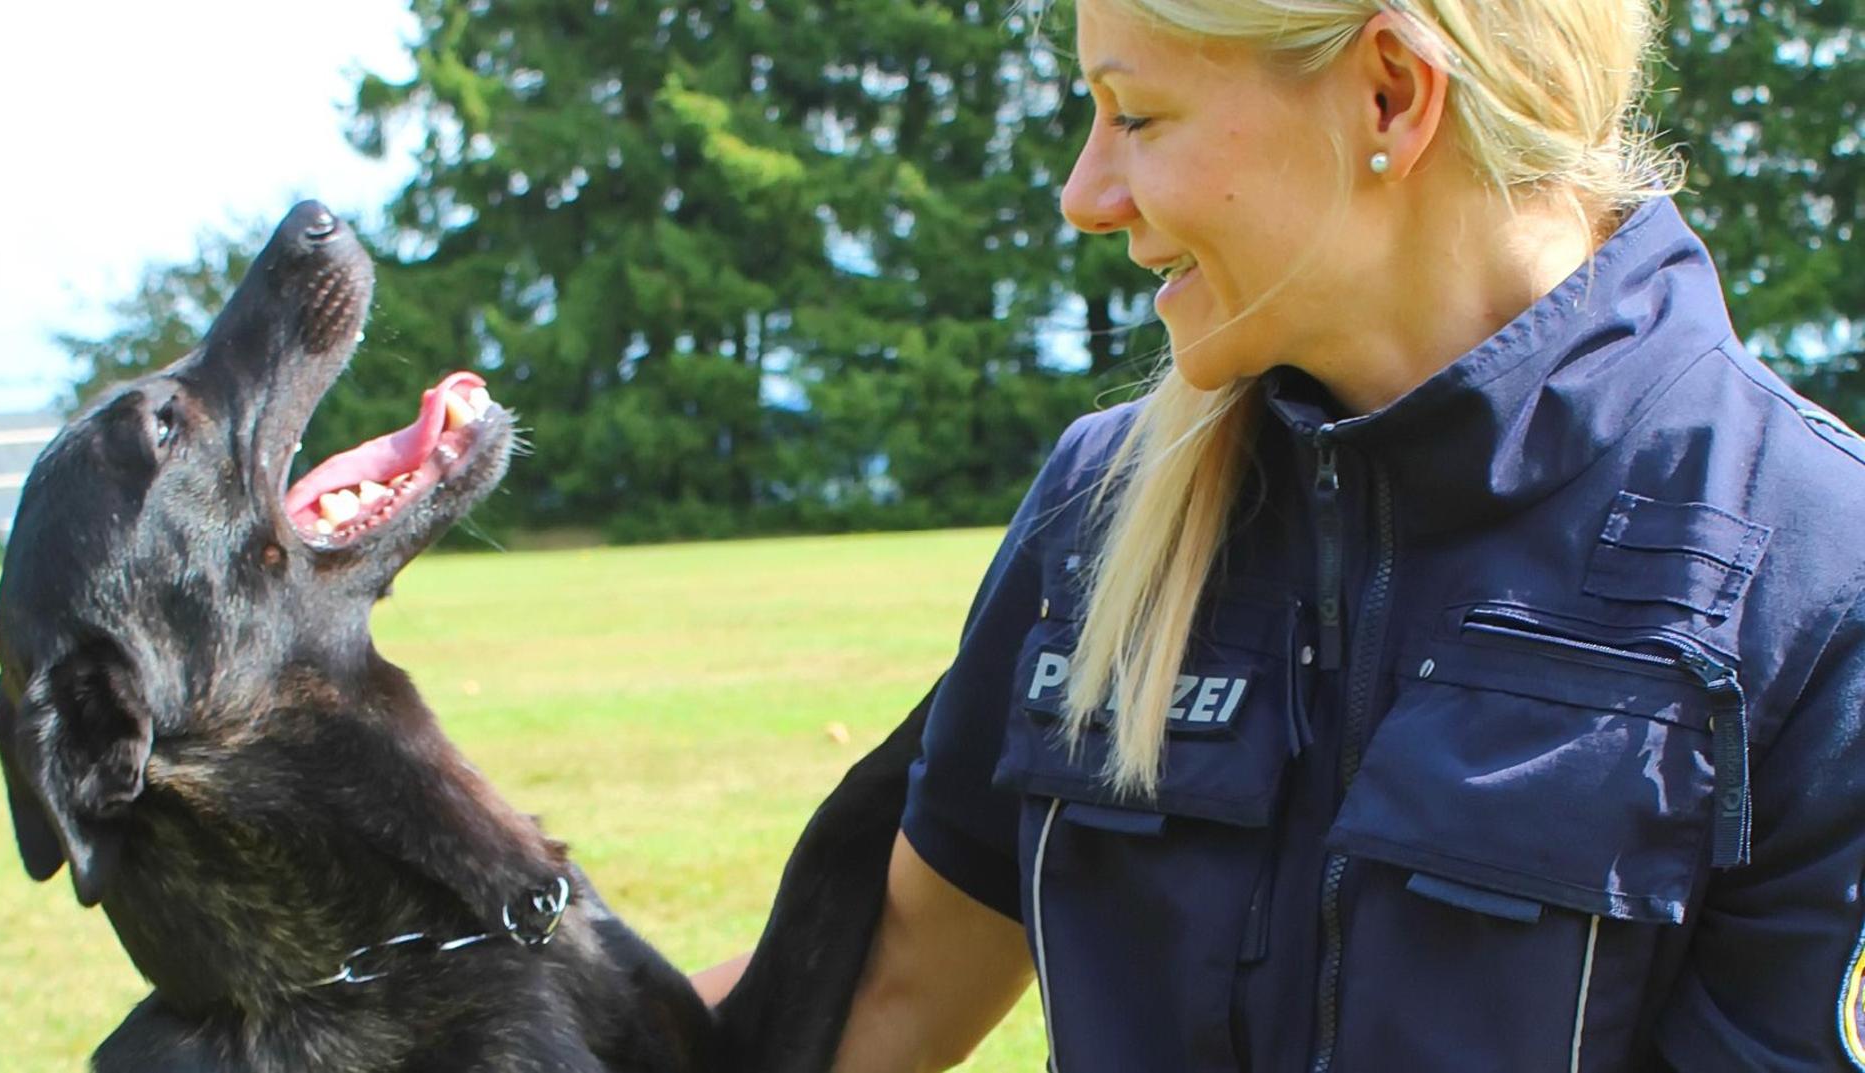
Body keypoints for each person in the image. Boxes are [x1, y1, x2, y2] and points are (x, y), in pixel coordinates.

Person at [700, 0, 1865, 1069]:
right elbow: (879, 992)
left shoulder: (1818, 575)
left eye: (1137, 114)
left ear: (1392, 95)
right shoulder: (1100, 506)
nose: (1085, 193)